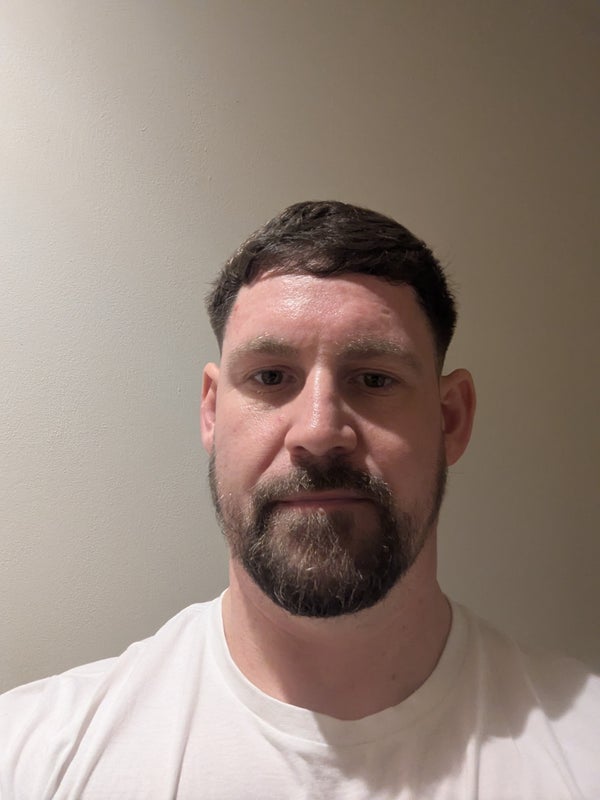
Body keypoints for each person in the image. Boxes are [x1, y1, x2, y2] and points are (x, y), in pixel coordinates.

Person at [0, 201, 598, 799]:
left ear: (450, 419)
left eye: (374, 379)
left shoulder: (583, 751)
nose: (318, 431)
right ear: (212, 411)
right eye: (270, 377)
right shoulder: (29, 759)